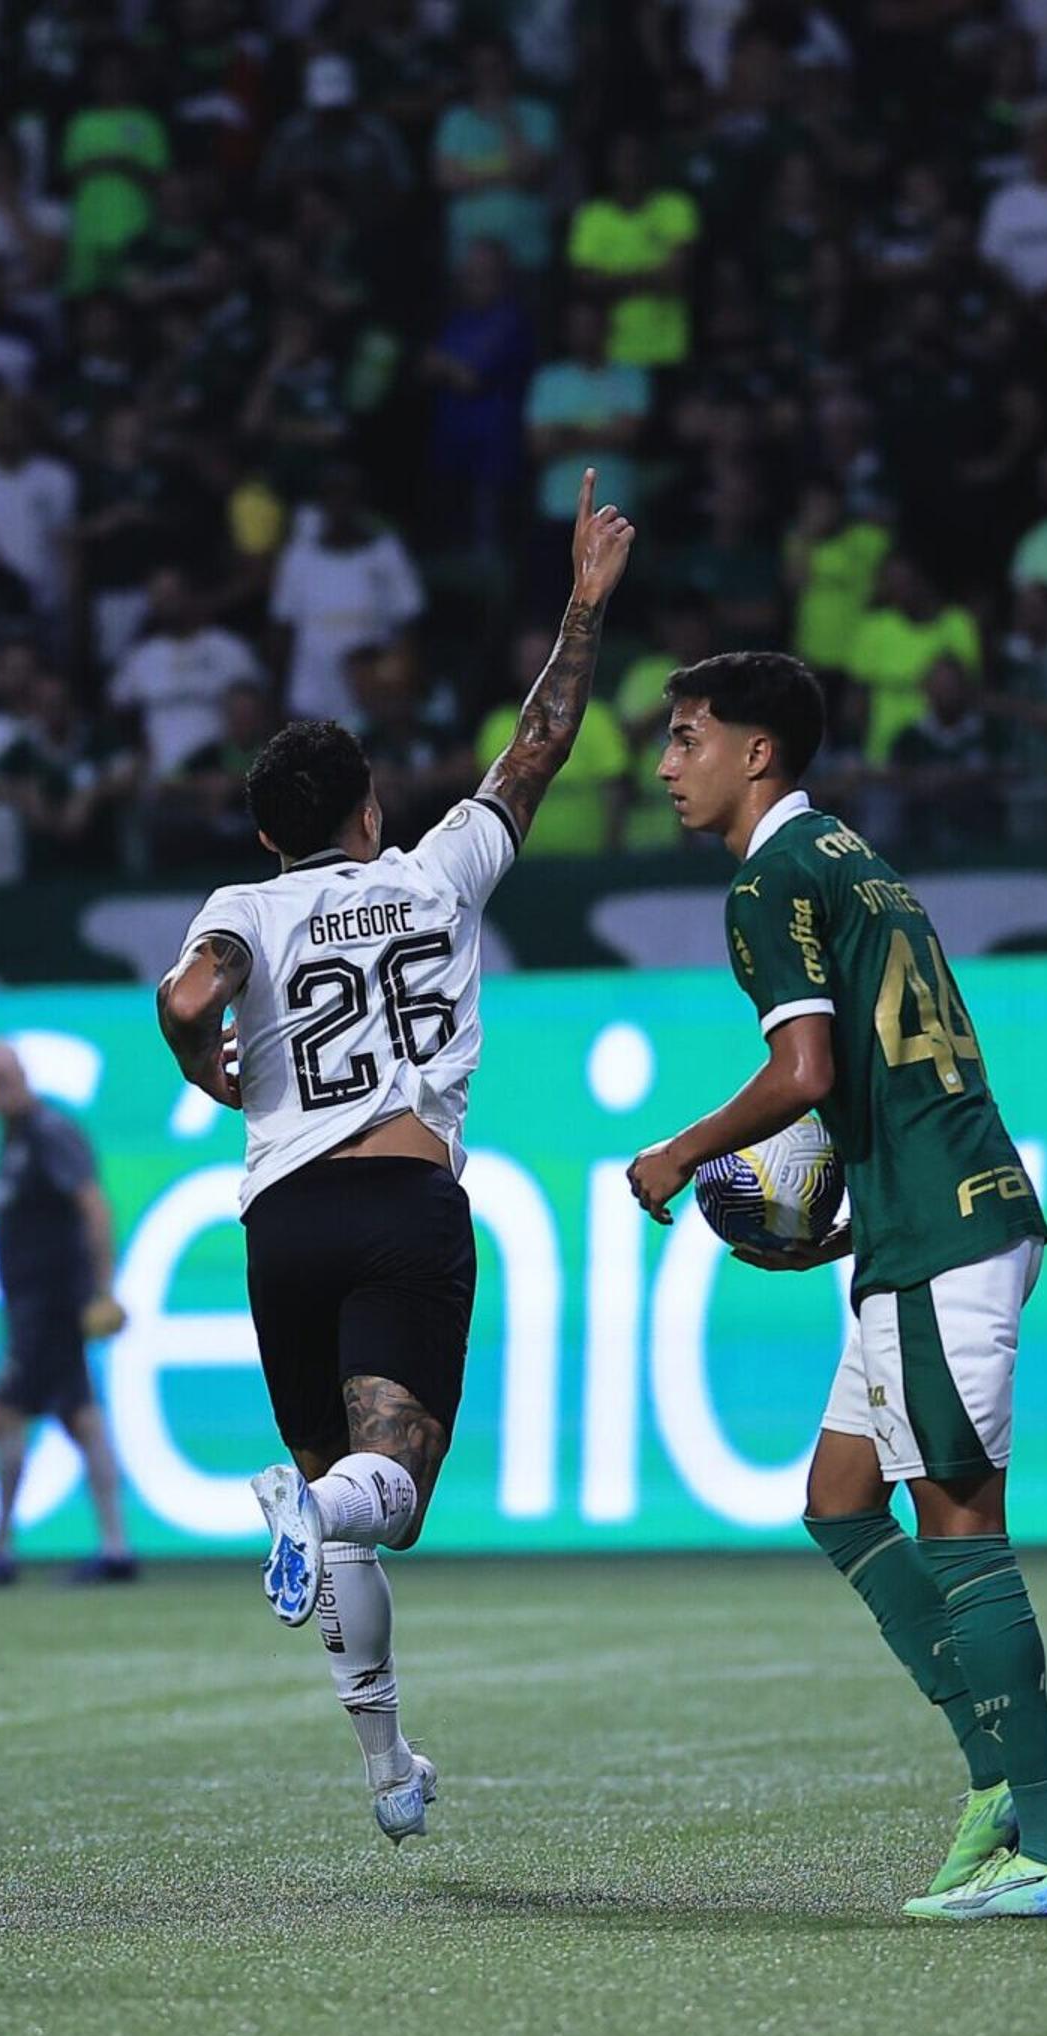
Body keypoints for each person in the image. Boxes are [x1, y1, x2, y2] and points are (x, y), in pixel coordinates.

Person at [155, 474, 635, 1844]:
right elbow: (537, 748)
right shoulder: (436, 873)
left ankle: (386, 1770)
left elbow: (192, 998)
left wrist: (200, 1057)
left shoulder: (241, 900)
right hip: (402, 1202)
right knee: (387, 1496)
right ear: (370, 808)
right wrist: (582, 607)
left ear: (268, 833)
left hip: (280, 1223)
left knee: (344, 1524)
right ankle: (301, 1505)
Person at [624, 650, 1047, 1923]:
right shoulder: (846, 856)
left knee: (961, 1524)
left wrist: (681, 1151)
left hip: (941, 1235)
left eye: (685, 737)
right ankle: (997, 1778)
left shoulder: (769, 876)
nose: (666, 764)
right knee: (841, 1498)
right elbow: (882, 1076)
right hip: (926, 1219)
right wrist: (839, 1230)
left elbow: (808, 1071)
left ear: (755, 753)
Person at [0, 1040, 137, 1589]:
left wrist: (102, 1290)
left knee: (2, 1413)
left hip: (51, 1307)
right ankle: (116, 1548)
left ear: (23, 1077)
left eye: (5, 1077)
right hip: (36, 1307)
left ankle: (1, 1549)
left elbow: (94, 1207)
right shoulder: (17, 1140)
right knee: (81, 1418)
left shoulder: (47, 1134)